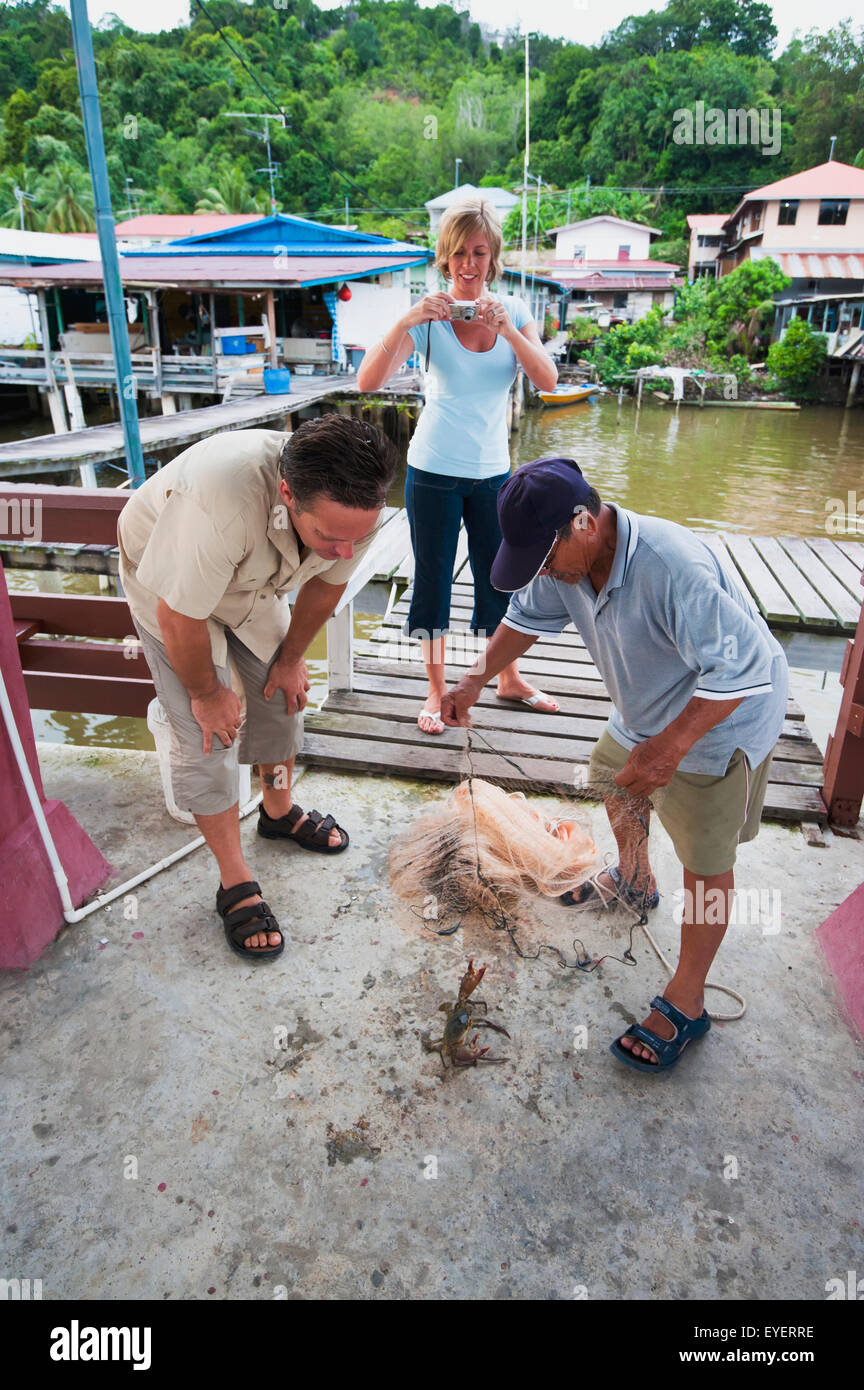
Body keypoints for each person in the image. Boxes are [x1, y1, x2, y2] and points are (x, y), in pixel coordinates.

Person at [441, 456, 790, 1074]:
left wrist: (671, 747)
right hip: (645, 704)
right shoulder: (563, 558)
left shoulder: (672, 566)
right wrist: (472, 681)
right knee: (612, 779)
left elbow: (741, 669)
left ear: (583, 523)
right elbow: (523, 621)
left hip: (722, 719)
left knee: (707, 867)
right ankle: (635, 881)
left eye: (545, 559)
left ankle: (687, 1001)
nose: (542, 573)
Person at [117, 417, 398, 963]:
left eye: (357, 539)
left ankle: (277, 810)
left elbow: (324, 587)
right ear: (287, 493)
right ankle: (234, 878)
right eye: (329, 537)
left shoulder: (351, 515)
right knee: (209, 735)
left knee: (282, 699)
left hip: (252, 580)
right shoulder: (219, 502)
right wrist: (205, 693)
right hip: (172, 584)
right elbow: (178, 614)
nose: (345, 551)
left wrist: (292, 659)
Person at [357, 196, 559, 735]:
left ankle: (508, 677)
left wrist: (510, 332)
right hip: (432, 472)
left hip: (494, 474)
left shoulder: (514, 311)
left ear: (492, 259)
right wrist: (407, 319)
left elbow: (548, 380)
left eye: (479, 252)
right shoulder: (430, 318)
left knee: (501, 580)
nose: (469, 264)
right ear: (445, 259)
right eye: (459, 254)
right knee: (433, 583)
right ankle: (434, 689)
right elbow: (366, 382)